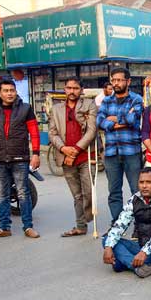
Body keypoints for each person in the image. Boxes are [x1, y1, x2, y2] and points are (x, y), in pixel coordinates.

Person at [0, 80, 40, 239]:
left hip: (20, 157)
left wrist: (36, 153)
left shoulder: (26, 109)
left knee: (23, 193)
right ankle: (4, 227)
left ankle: (28, 227)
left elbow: (34, 132)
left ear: (15, 91)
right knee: (2, 194)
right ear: (0, 93)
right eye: (6, 90)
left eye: (12, 90)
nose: (9, 93)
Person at [101, 167, 151, 278]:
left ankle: (125, 263)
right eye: (141, 182)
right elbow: (120, 224)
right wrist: (108, 246)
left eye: (149, 182)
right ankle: (137, 266)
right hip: (140, 246)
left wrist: (144, 252)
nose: (144, 186)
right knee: (107, 239)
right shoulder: (135, 199)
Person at [47, 77, 98, 237]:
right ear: (64, 89)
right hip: (65, 155)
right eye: (69, 88)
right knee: (76, 194)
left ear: (81, 90)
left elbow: (91, 131)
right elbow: (52, 132)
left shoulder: (89, 105)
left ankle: (89, 217)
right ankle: (81, 226)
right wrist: (63, 148)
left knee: (88, 192)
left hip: (85, 155)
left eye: (75, 88)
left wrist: (75, 150)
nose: (72, 91)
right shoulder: (56, 109)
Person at [96, 68, 143, 223]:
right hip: (111, 152)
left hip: (131, 151)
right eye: (113, 80)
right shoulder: (106, 101)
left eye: (119, 80)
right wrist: (121, 120)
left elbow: (133, 120)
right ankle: (117, 223)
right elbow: (99, 122)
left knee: (137, 190)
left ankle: (139, 224)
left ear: (128, 81)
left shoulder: (136, 99)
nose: (116, 83)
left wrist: (113, 119)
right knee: (114, 191)